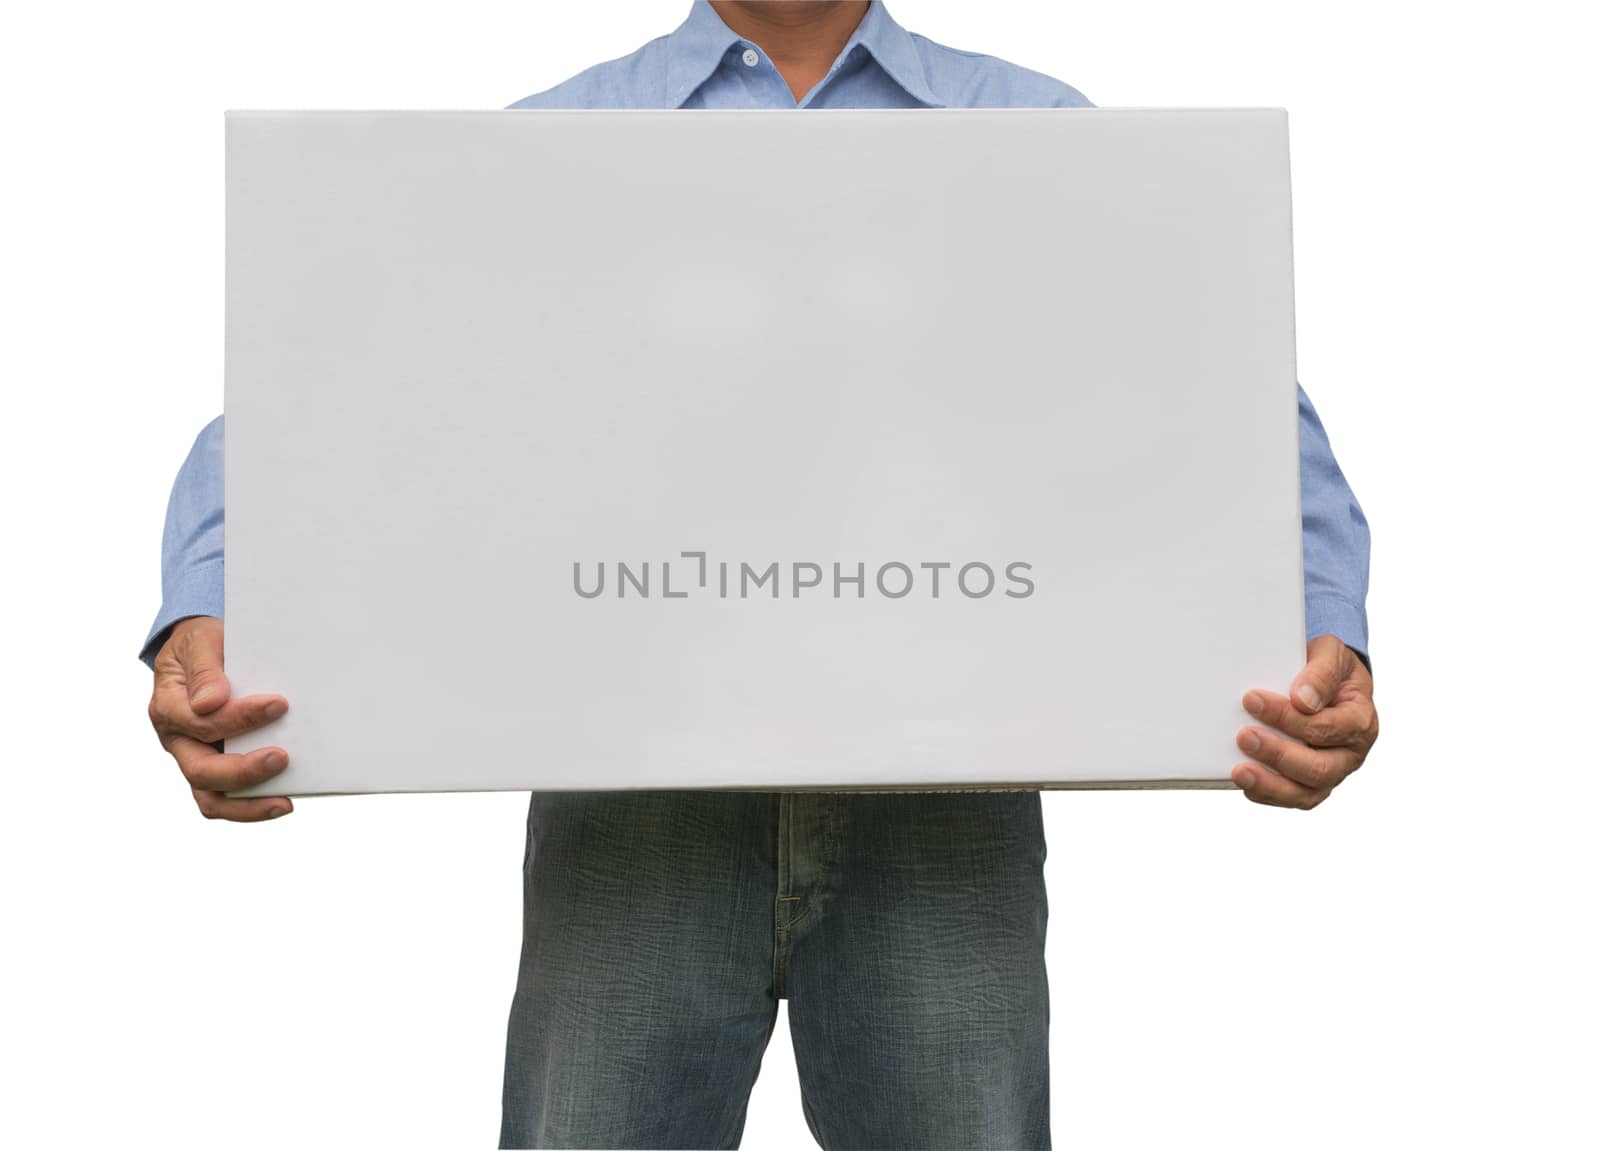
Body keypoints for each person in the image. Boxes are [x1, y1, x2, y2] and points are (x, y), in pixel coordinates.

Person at [140, 3, 1380, 1147]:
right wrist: (205, 603)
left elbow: (1225, 391)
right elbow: (336, 377)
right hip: (627, 783)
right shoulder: (545, 150)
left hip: (952, 774)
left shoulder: (1037, 134)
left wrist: (1325, 635)